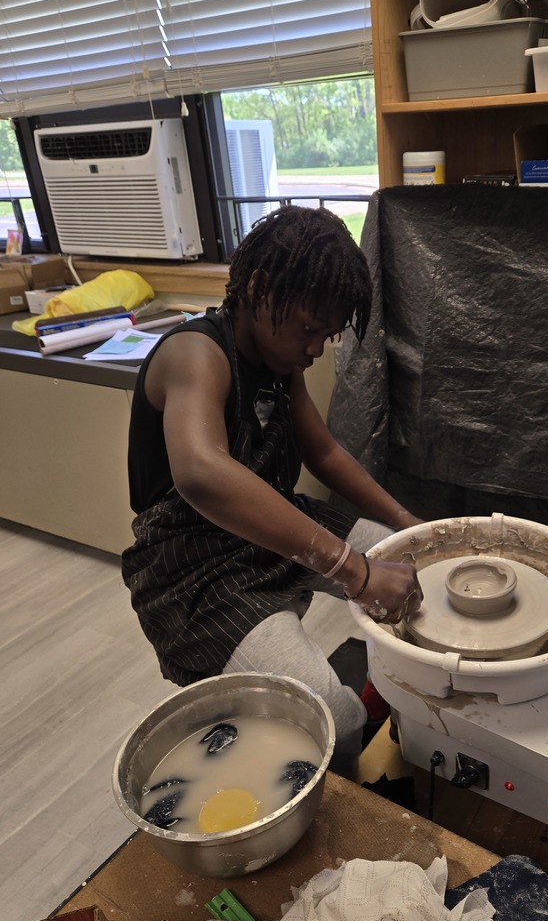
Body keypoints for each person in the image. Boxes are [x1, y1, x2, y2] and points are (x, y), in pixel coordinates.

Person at [122, 205, 423, 764]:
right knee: (329, 714)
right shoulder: (195, 355)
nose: (314, 349)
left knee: (409, 560)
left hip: (266, 527)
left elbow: (325, 452)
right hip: (193, 570)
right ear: (261, 287)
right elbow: (201, 472)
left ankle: (391, 710)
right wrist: (353, 570)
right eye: (309, 329)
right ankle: (346, 785)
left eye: (326, 337)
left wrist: (408, 524)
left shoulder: (281, 365)